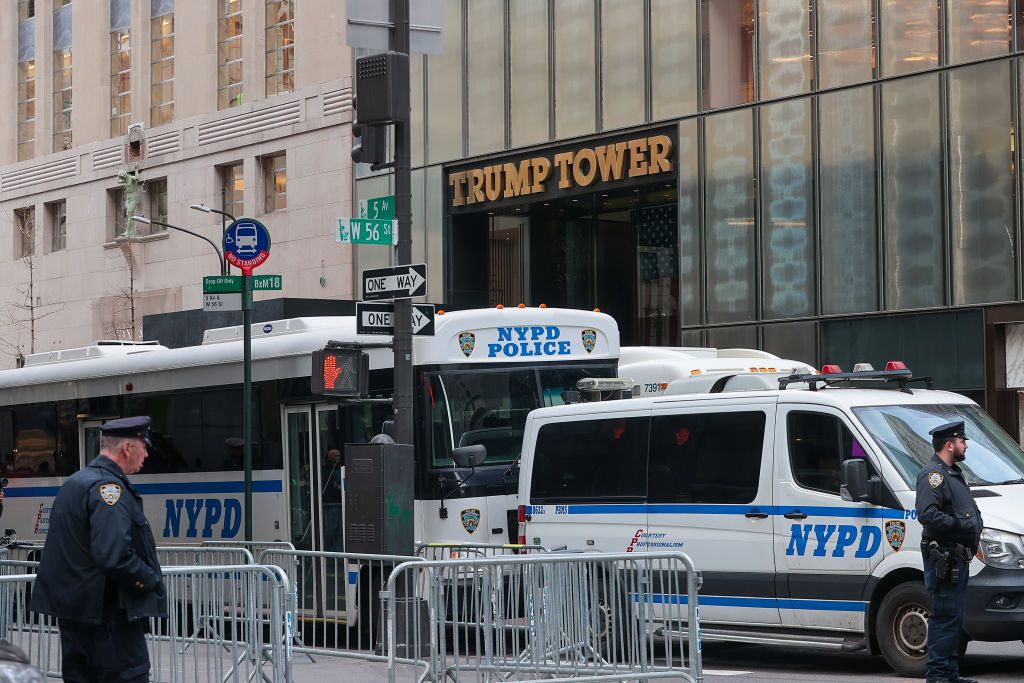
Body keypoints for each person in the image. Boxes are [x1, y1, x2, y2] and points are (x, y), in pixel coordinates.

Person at [31, 416, 166, 683]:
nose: (147, 453)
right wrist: (149, 579)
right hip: (110, 623)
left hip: (78, 620)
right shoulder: (109, 489)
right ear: (128, 448)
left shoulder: (75, 483)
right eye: (144, 445)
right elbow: (114, 555)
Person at [915, 421, 983, 683]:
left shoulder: (953, 472)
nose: (965, 446)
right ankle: (938, 677)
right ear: (949, 444)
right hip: (944, 558)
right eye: (962, 441)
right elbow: (928, 514)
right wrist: (961, 526)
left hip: (957, 557)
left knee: (955, 619)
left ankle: (951, 674)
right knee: (944, 618)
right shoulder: (934, 475)